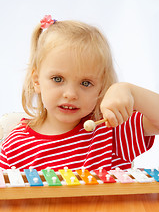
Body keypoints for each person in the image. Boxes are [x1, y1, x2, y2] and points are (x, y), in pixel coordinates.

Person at [1, 15, 159, 171]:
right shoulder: (14, 147)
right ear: (37, 81)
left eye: (86, 83)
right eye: (58, 79)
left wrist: (131, 92)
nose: (70, 94)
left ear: (101, 87)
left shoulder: (111, 129)